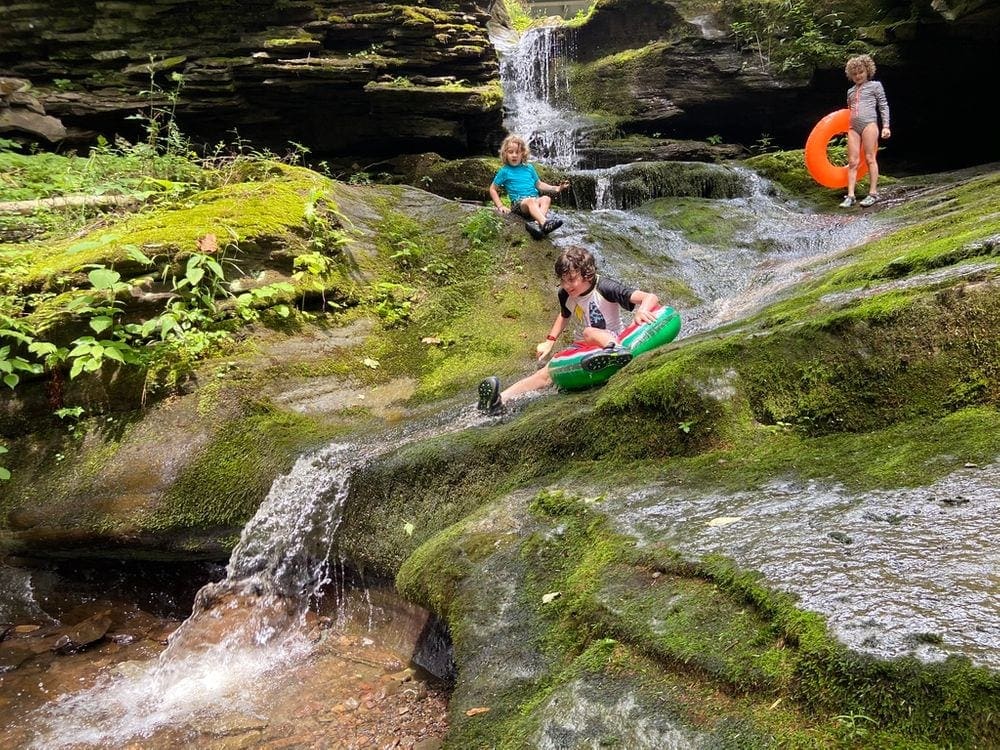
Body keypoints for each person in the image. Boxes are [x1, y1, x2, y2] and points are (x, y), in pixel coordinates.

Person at [477, 246, 659, 413]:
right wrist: (549, 342)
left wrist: (642, 309)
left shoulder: (605, 287)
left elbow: (649, 297)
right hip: (590, 348)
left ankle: (615, 352)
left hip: (612, 338)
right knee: (546, 373)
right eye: (563, 281)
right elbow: (564, 315)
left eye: (571, 279)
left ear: (587, 274)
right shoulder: (566, 294)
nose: (567, 285)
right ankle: (498, 400)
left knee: (588, 331)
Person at [489, 134, 570, 239]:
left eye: (517, 152)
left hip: (534, 203)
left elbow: (539, 184)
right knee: (530, 200)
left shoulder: (529, 168)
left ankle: (536, 224)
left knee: (546, 198)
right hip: (519, 205)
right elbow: (492, 189)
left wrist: (557, 188)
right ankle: (544, 223)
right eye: (510, 152)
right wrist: (500, 206)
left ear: (523, 153)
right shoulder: (505, 171)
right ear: (505, 154)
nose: (514, 155)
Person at [840, 54, 891, 208]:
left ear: (867, 70)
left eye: (861, 72)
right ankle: (850, 195)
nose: (858, 76)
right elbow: (849, 109)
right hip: (853, 127)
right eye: (854, 74)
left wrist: (886, 126)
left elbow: (883, 105)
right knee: (852, 161)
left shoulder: (876, 85)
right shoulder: (850, 91)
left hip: (869, 124)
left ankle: (873, 193)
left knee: (870, 158)